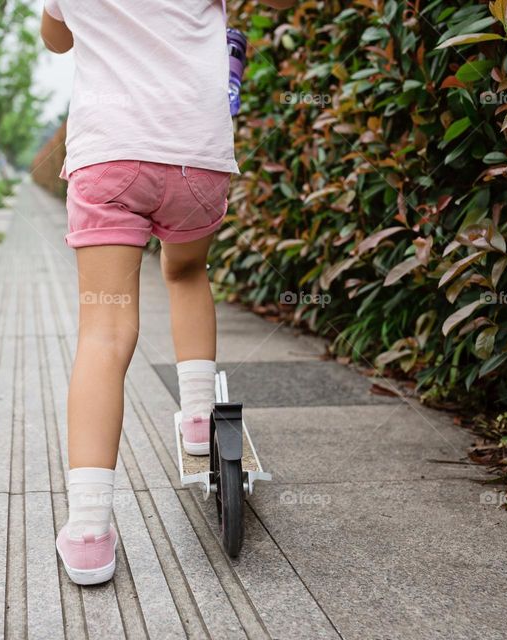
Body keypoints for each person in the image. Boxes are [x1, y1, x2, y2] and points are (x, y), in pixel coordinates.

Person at [41, 0, 296, 586]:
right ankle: (200, 418)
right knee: (184, 274)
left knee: (104, 334)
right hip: (195, 159)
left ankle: (87, 534)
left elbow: (56, 40)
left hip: (108, 157)